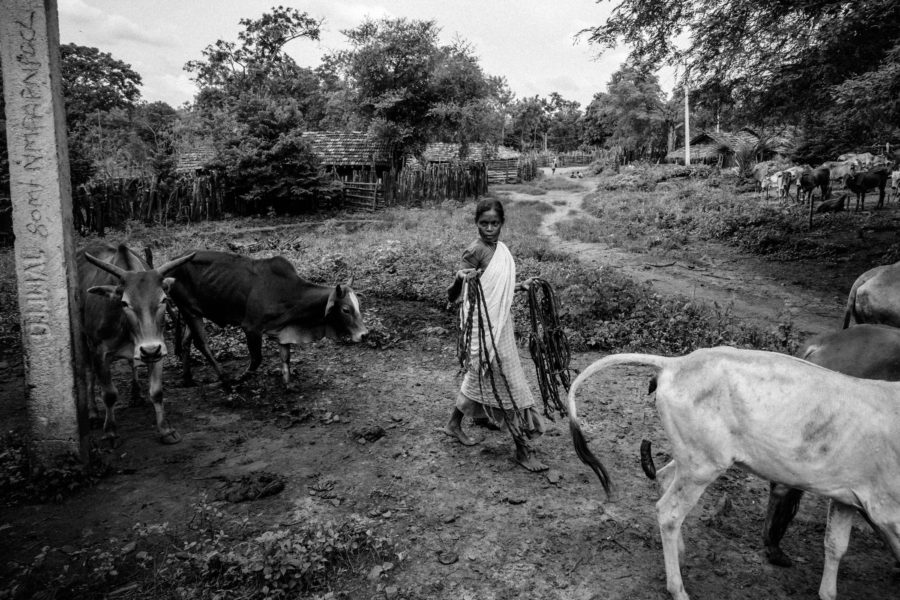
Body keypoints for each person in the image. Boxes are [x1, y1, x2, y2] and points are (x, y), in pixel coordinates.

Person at [442, 198, 548, 472]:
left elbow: (497, 290)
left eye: (494, 223)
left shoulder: (501, 250)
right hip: (482, 325)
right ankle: (522, 449)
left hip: (501, 322)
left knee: (481, 374)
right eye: (483, 223)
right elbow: (453, 296)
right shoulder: (473, 251)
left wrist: (519, 286)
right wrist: (459, 279)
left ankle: (454, 423)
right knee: (509, 381)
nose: (489, 228)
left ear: (502, 223)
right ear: (476, 223)